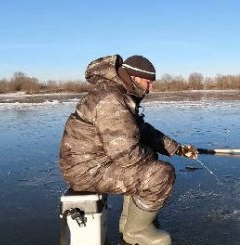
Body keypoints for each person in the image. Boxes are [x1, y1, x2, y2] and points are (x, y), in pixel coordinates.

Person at [59, 54, 198, 245]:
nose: (151, 88)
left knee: (149, 161)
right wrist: (153, 158)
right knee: (160, 174)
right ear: (134, 77)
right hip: (87, 171)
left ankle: (128, 223)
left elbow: (144, 132)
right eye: (149, 82)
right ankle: (136, 231)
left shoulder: (118, 94)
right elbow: (127, 156)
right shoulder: (111, 100)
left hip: (96, 162)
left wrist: (178, 149)